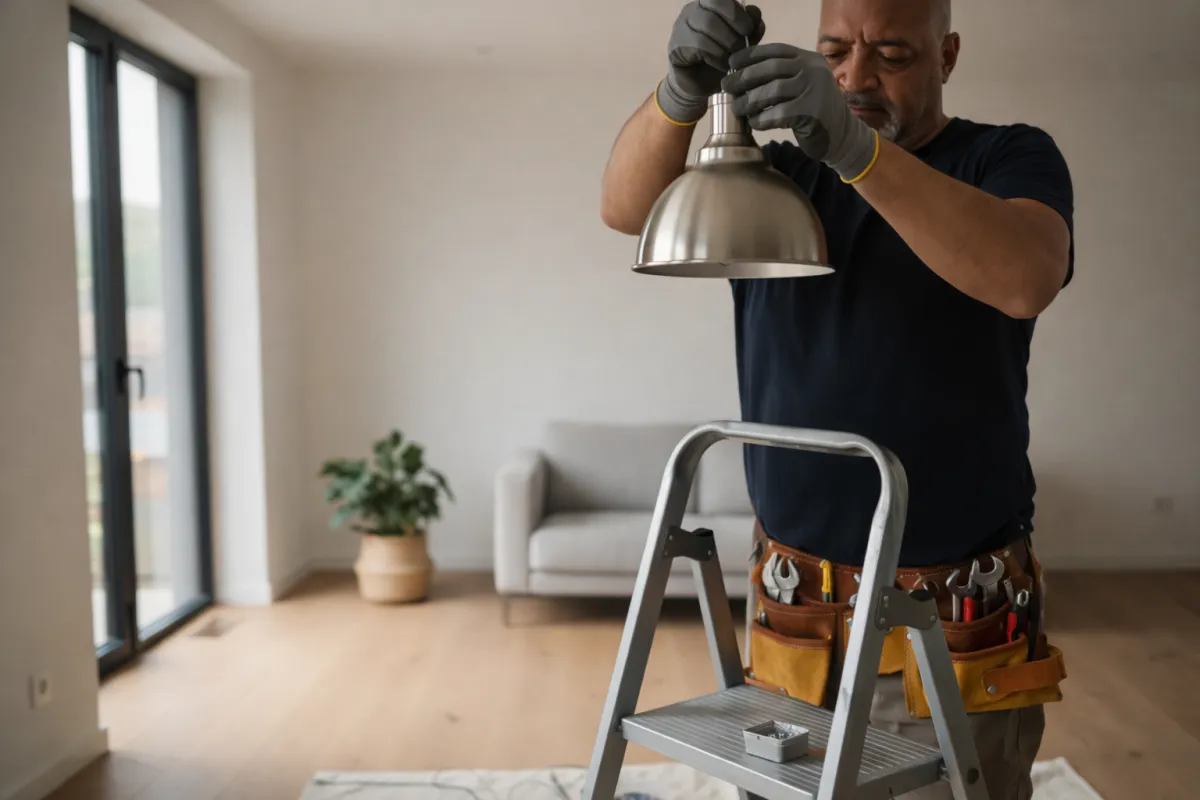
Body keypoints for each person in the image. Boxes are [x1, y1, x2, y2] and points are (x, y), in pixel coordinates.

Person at [600, 1, 1074, 798]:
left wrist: (857, 151)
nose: (856, 77)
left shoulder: (1006, 158)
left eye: (891, 53)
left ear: (947, 54)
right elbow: (624, 208)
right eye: (836, 51)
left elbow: (1025, 278)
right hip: (795, 612)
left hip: (950, 621)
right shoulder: (779, 177)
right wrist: (679, 95)